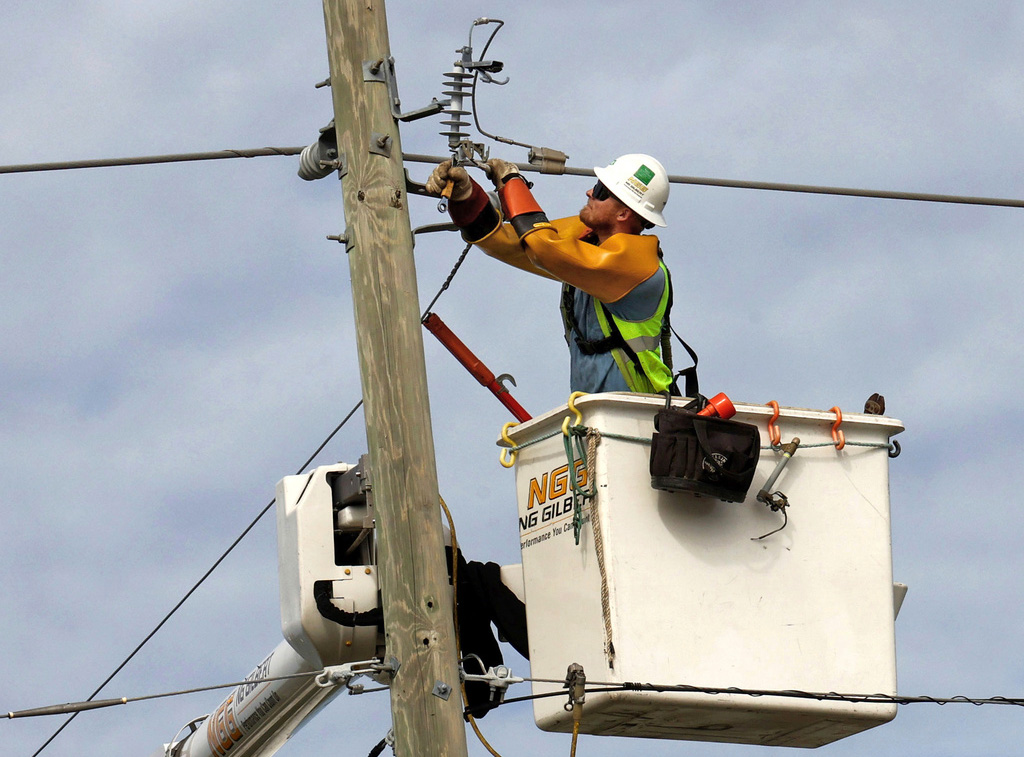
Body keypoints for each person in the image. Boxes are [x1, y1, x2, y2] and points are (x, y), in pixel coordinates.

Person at [427, 154, 681, 395]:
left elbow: (542, 247)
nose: (590, 192)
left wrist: (512, 182)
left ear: (624, 213)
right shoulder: (590, 244)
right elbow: (504, 241)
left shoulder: (637, 266)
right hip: (595, 410)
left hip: (640, 410)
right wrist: (465, 196)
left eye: (602, 192)